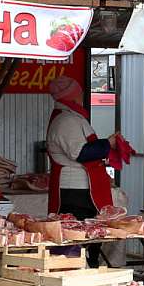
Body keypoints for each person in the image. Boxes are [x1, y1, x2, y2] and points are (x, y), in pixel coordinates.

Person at [45, 76, 120, 220]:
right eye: (80, 94)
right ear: (72, 98)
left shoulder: (71, 117)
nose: (82, 98)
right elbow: (80, 153)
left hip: (81, 187)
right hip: (75, 191)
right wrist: (108, 143)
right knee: (79, 233)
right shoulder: (66, 120)